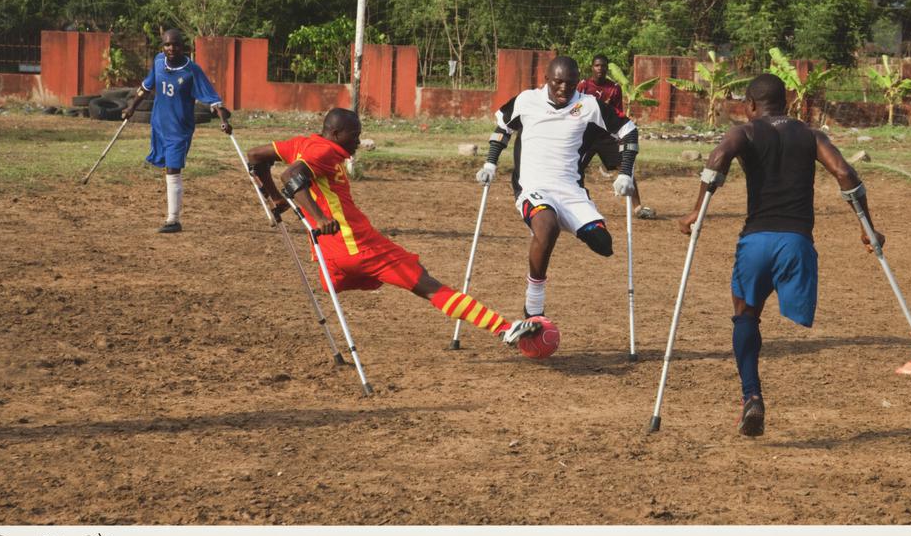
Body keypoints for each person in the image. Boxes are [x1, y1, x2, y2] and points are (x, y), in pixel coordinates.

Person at [678, 73, 883, 437]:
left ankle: (751, 396)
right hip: (797, 244)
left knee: (745, 315)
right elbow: (844, 172)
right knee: (764, 310)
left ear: (750, 106)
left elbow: (718, 157)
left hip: (757, 242)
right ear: (786, 103)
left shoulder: (745, 132)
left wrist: (697, 210)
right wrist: (867, 225)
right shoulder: (810, 135)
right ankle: (753, 397)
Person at [245, 108, 539, 348]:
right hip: (359, 245)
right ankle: (503, 328)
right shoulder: (325, 152)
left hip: (330, 254)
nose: (359, 141)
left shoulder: (302, 143)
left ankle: (346, 274)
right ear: (335, 134)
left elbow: (256, 158)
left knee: (339, 283)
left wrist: (272, 197)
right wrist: (319, 217)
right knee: (426, 284)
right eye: (354, 135)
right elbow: (292, 176)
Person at [476, 56, 640, 320]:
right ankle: (534, 306)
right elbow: (502, 128)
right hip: (532, 187)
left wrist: (625, 173)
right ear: (546, 79)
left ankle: (563, 220)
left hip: (570, 191)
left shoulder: (589, 106)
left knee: (603, 245)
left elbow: (629, 132)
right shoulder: (527, 101)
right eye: (558, 82)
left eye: (571, 83)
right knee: (547, 226)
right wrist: (490, 164)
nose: (564, 88)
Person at [122, 29, 232, 233]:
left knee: (173, 169)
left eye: (175, 45)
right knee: (166, 168)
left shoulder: (192, 71)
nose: (171, 48)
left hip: (179, 130)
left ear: (184, 47)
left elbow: (213, 98)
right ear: (162, 46)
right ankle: (172, 217)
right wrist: (132, 107)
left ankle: (173, 220)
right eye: (166, 45)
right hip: (159, 125)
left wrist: (223, 120)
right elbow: (146, 87)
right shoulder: (158, 62)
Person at [577, 54, 656, 220]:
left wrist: (621, 133)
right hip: (585, 135)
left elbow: (617, 111)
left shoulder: (614, 88)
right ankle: (576, 204)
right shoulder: (583, 86)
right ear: (592, 67)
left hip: (606, 136)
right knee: (574, 169)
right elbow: (575, 107)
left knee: (625, 165)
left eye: (603, 66)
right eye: (597, 65)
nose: (600, 68)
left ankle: (638, 207)